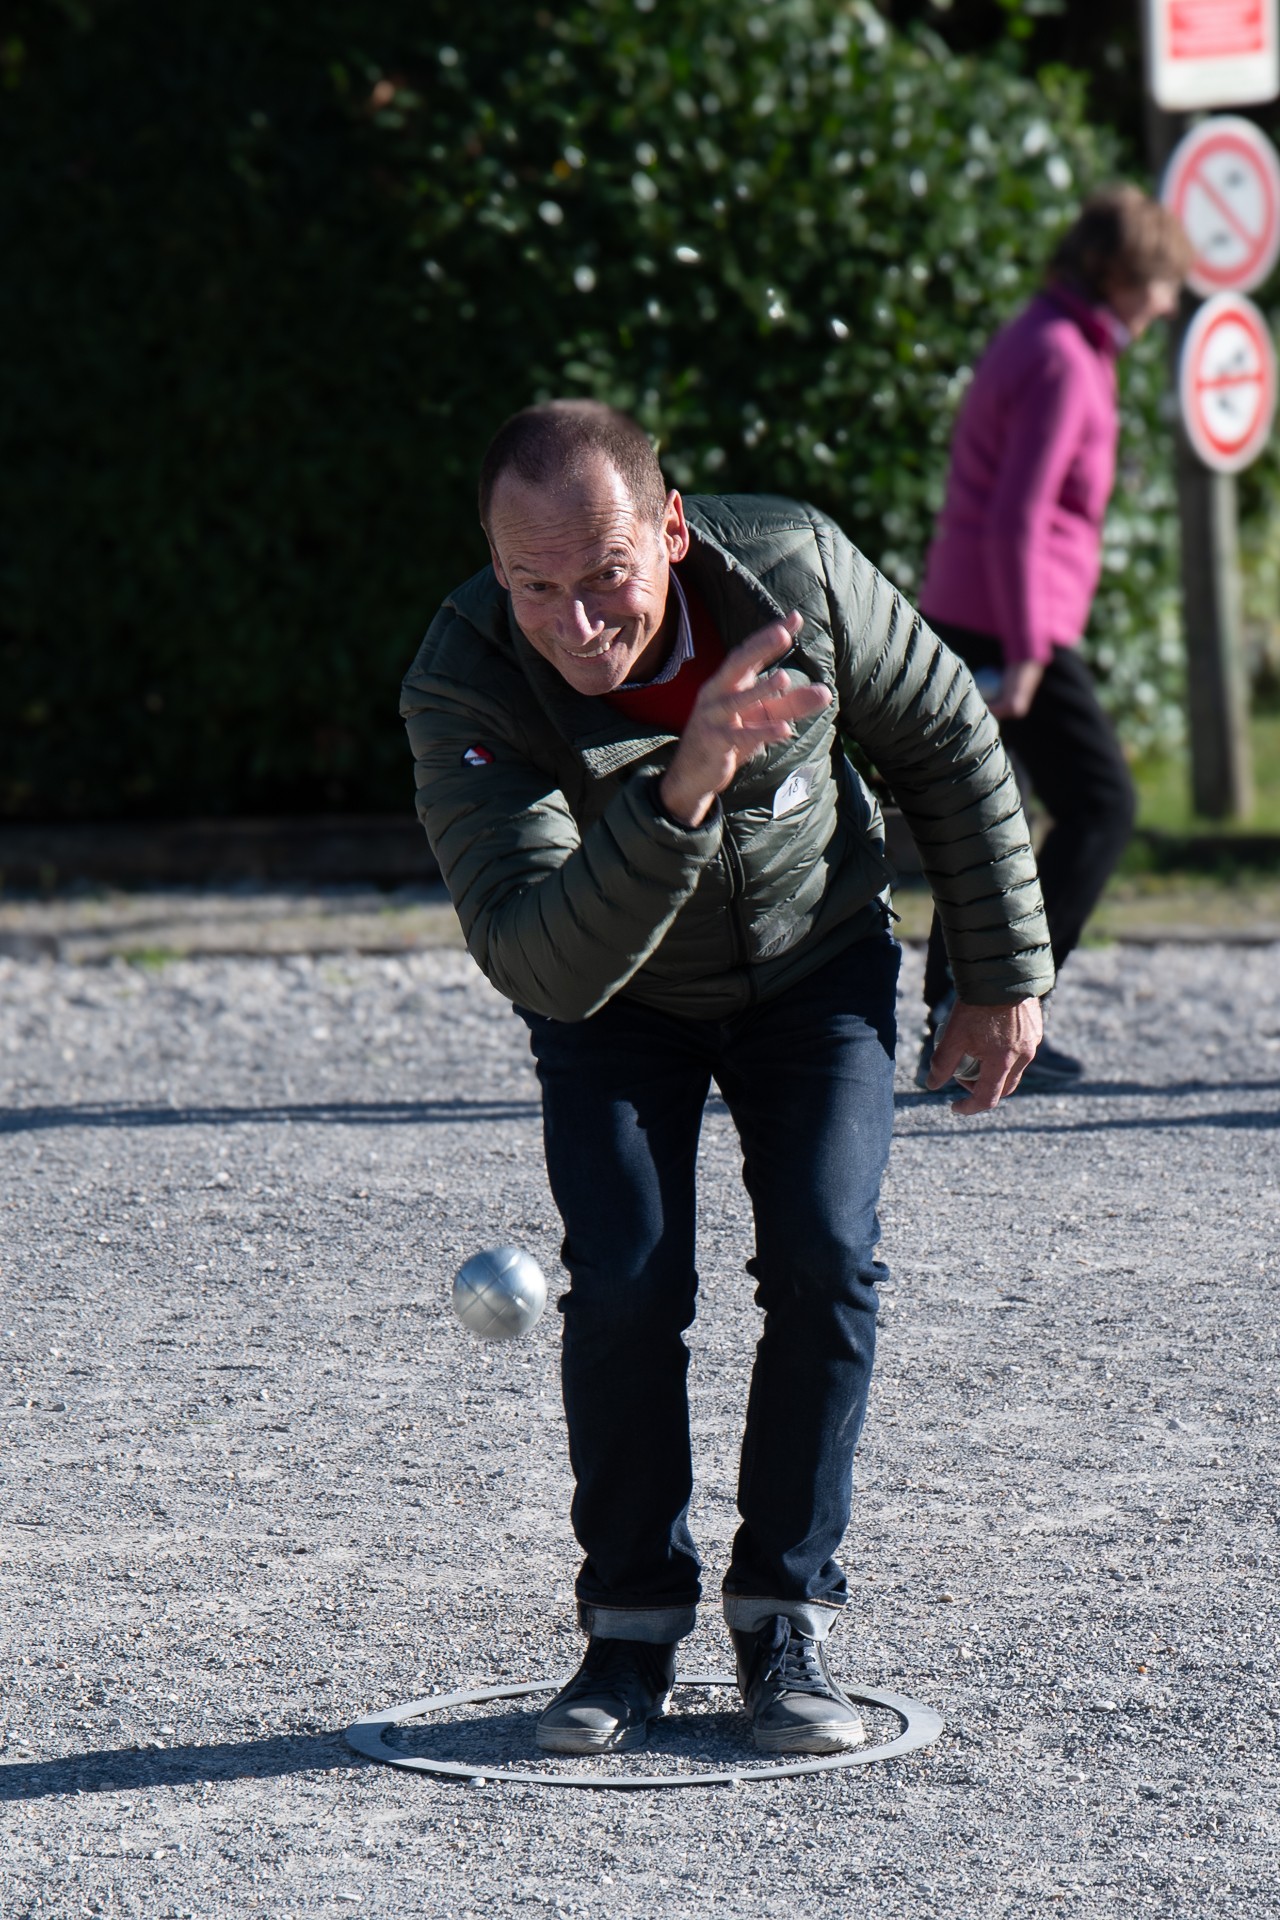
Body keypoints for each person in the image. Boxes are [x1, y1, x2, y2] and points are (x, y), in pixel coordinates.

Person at [401, 400, 1053, 1758]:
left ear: (675, 529)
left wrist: (997, 969)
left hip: (812, 969)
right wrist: (679, 795)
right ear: (491, 565)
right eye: (536, 588)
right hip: (611, 999)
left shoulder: (797, 572)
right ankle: (627, 1634)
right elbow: (539, 955)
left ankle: (785, 1621)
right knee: (630, 1281)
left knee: (827, 1256)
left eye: (606, 582)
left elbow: (945, 736)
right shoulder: (467, 675)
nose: (577, 625)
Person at [917, 185, 1192, 1092]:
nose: (1169, 303)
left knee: (983, 813)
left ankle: (957, 1015)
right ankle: (995, 1013)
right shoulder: (1068, 359)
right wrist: (1031, 650)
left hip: (976, 605)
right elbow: (1022, 517)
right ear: (1121, 276)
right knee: (1102, 806)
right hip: (1005, 616)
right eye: (1163, 284)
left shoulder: (1039, 333)